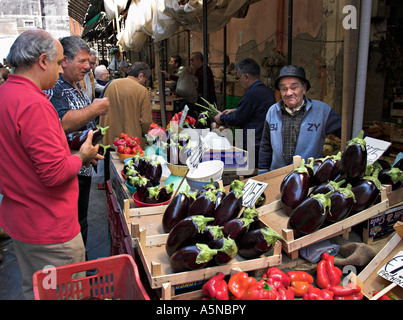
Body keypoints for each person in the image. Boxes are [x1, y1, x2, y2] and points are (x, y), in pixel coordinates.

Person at [0, 29, 102, 299]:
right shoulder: (35, 104)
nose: (60, 71)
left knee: (36, 289)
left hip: (21, 218)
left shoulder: (5, 95)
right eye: (58, 63)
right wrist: (82, 156)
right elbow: (54, 174)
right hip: (49, 227)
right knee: (63, 293)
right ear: (42, 61)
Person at [46, 35, 110, 251]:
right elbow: (62, 122)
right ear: (64, 61)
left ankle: (80, 263)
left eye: (89, 62)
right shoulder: (55, 88)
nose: (87, 66)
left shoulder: (75, 85)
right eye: (82, 61)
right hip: (70, 168)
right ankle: (75, 268)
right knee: (73, 222)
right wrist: (95, 109)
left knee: (80, 219)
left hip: (81, 167)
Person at [258, 65, 342, 173]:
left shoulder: (322, 111)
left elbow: (348, 132)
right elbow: (266, 145)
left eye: (294, 87)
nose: (288, 93)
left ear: (304, 88)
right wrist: (262, 171)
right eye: (284, 89)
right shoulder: (272, 112)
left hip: (309, 177)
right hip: (277, 176)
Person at [213, 58, 276, 168]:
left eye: (238, 77)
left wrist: (221, 118)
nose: (238, 81)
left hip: (254, 144)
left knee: (250, 173)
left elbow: (239, 118)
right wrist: (235, 110)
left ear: (246, 77)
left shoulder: (252, 93)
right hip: (264, 143)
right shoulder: (267, 91)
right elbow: (254, 111)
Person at [99, 61, 153, 149]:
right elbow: (146, 121)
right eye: (145, 80)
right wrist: (150, 136)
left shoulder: (112, 84)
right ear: (140, 76)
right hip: (130, 145)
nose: (144, 82)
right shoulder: (142, 91)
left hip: (108, 140)